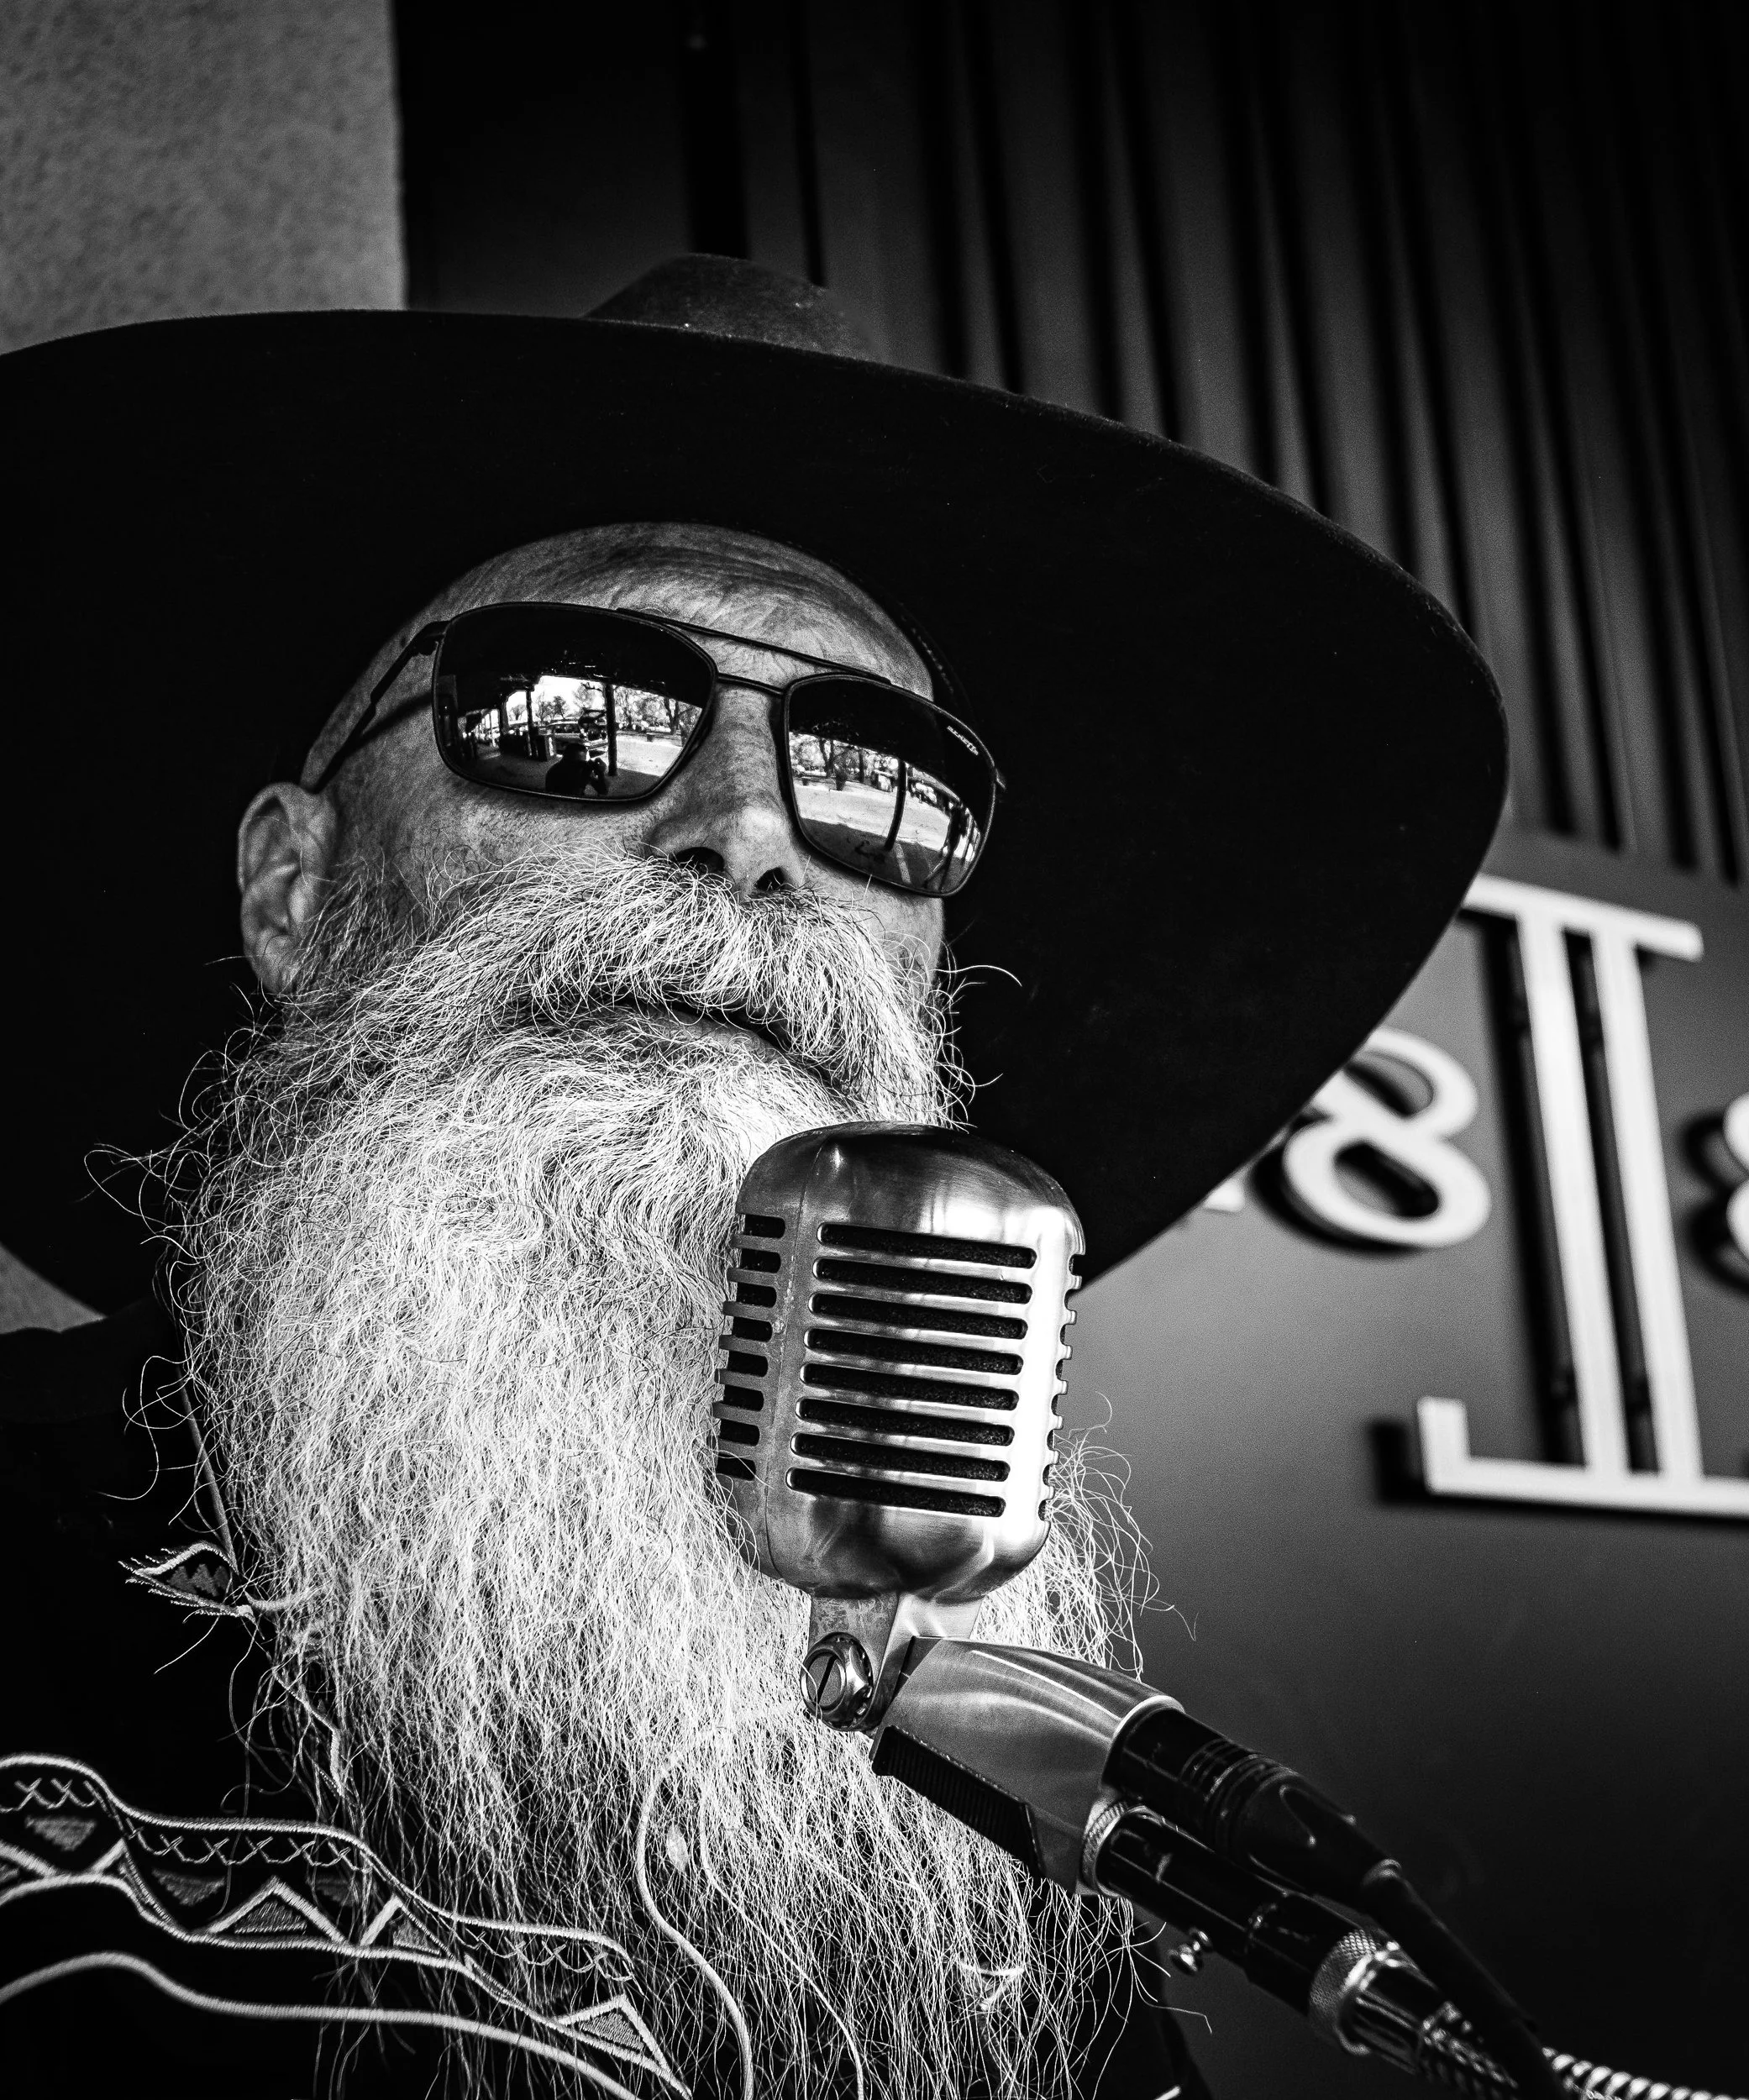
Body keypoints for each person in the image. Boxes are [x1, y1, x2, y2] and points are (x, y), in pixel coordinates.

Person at [0, 257, 1506, 2098]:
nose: (749, 826)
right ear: (294, 891)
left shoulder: (991, 1802)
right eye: (575, 708)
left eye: (880, 778)